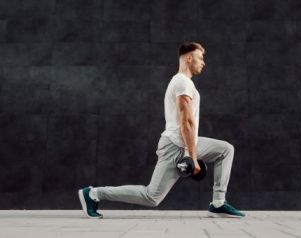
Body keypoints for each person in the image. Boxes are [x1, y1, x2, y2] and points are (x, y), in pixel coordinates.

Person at [78, 42, 245, 218]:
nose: (203, 62)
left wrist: (190, 151)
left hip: (185, 142)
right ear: (189, 58)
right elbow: (186, 121)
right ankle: (93, 193)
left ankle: (218, 202)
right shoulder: (182, 82)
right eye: (200, 58)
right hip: (175, 145)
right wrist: (191, 156)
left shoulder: (184, 82)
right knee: (151, 197)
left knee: (225, 149)